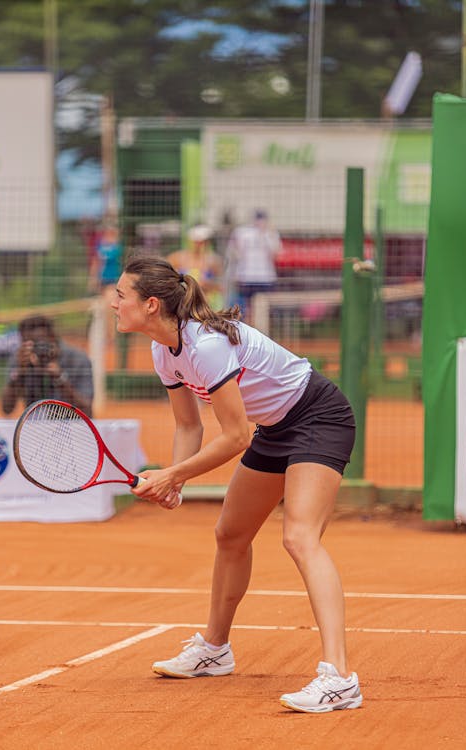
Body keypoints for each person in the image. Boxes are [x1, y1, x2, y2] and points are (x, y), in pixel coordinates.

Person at [112, 256, 362, 714]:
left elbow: (235, 436)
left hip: (317, 416)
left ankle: (340, 677)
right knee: (230, 535)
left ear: (150, 305)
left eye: (120, 294)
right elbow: (189, 426)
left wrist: (172, 474)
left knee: (300, 536)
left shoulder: (205, 346)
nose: (113, 303)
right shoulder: (162, 349)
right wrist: (175, 479)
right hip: (276, 426)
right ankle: (215, 649)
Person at [1, 315, 94, 417]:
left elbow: (86, 411)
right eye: (33, 346)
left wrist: (60, 379)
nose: (39, 351)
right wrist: (20, 373)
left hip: (73, 426)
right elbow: (6, 408)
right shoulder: (21, 360)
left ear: (53, 338)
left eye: (42, 345)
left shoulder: (77, 359)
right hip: (36, 427)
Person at [226, 209, 282, 321]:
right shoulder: (242, 232)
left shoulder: (270, 233)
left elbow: (276, 253)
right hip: (246, 276)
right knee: (242, 308)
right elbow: (233, 253)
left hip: (264, 277)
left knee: (262, 309)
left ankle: (260, 331)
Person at [167, 224, 223, 310]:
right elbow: (167, 279)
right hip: (183, 303)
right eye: (197, 241)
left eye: (203, 241)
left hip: (206, 304)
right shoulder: (177, 258)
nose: (200, 244)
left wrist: (207, 285)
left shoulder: (213, 261)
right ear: (190, 241)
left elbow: (220, 287)